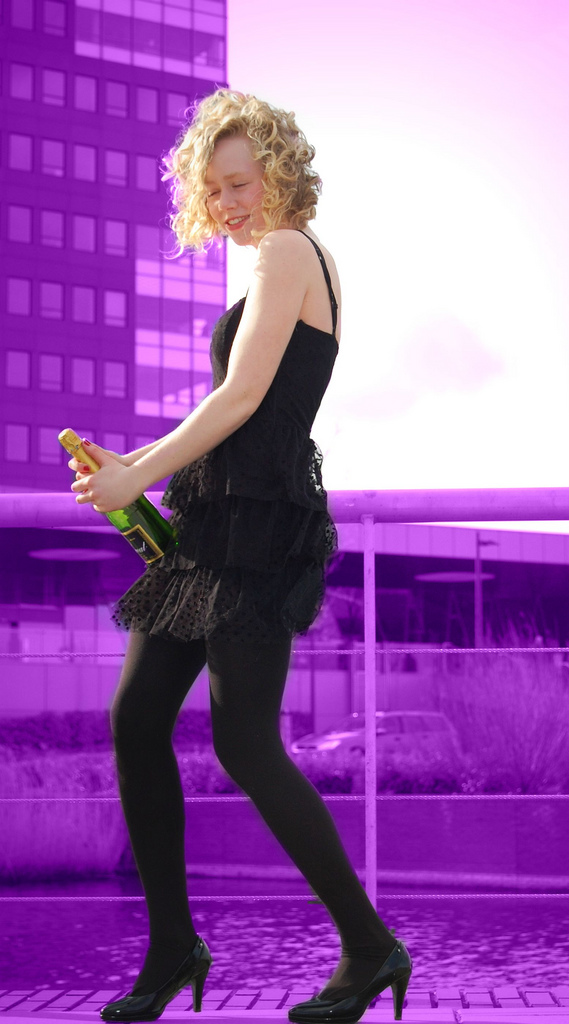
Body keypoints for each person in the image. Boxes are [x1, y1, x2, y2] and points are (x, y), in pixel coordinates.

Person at [67, 90, 411, 1024]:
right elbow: (224, 416)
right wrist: (129, 466)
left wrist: (136, 478)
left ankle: (368, 946)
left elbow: (243, 397)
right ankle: (172, 948)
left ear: (280, 173)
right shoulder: (274, 260)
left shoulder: (289, 251)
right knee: (138, 718)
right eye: (213, 188)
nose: (226, 202)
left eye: (240, 183)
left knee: (245, 741)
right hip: (218, 521)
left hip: (257, 528)